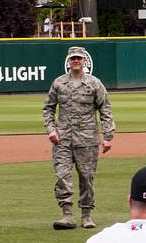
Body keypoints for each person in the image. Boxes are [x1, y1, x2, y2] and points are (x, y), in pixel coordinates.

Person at [43, 46, 115, 230]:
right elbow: (48, 108)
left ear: (84, 61)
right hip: (62, 139)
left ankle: (86, 214)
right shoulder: (59, 83)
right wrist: (51, 130)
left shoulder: (94, 83)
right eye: (73, 58)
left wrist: (108, 136)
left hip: (87, 139)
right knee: (62, 175)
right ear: (69, 61)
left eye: (79, 58)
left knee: (86, 178)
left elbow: (105, 109)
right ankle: (67, 214)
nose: (76, 61)